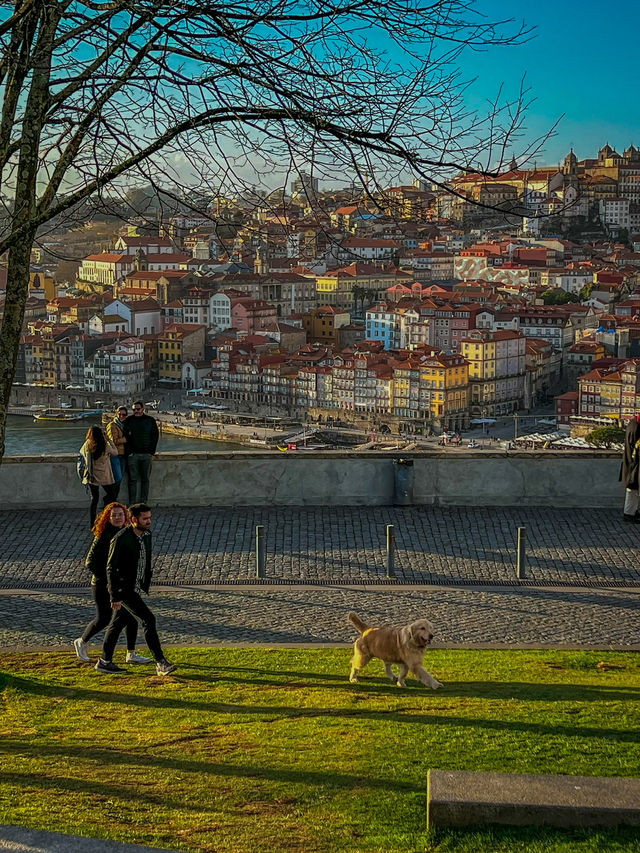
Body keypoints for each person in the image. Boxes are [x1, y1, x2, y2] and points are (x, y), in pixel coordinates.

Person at [96, 503, 176, 676]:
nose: (148, 521)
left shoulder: (146, 535)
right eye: (145, 518)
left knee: (117, 624)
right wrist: (114, 596)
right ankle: (161, 662)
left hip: (135, 587)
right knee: (149, 619)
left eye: (149, 518)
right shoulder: (121, 538)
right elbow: (111, 568)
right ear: (133, 520)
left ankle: (104, 661)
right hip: (124, 589)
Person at [73, 503, 151, 665]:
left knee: (130, 616)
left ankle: (131, 653)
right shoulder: (102, 536)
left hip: (122, 584)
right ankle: (82, 641)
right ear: (107, 517)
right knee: (104, 618)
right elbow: (90, 562)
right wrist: (109, 578)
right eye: (114, 515)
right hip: (102, 585)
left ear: (126, 517)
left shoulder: (128, 534)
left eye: (120, 515)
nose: (117, 518)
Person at [79, 425, 119, 527]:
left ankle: (92, 523)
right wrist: (109, 440)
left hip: (92, 476)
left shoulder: (87, 445)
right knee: (112, 496)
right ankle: (109, 518)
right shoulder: (104, 445)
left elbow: (82, 455)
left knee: (94, 500)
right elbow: (115, 452)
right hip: (104, 476)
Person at [124, 401, 159, 503]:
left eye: (138, 409)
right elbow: (125, 437)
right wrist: (129, 452)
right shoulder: (129, 420)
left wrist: (151, 452)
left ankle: (144, 502)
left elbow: (155, 436)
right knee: (132, 480)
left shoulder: (150, 420)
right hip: (133, 455)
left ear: (143, 409)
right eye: (134, 409)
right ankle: (132, 504)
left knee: (145, 480)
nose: (136, 411)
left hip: (146, 454)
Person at [620, 414, 640, 522]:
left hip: (632, 462)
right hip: (634, 463)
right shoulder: (635, 429)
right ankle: (629, 514)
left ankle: (632, 511)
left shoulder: (633, 424)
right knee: (632, 488)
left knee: (633, 488)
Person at [106, 405, 128, 500]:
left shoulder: (124, 425)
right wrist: (126, 439)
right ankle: (110, 499)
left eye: (124, 415)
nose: (122, 416)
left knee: (119, 479)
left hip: (123, 455)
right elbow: (113, 441)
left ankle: (113, 499)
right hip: (115, 455)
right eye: (120, 414)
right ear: (116, 414)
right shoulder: (112, 425)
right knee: (117, 478)